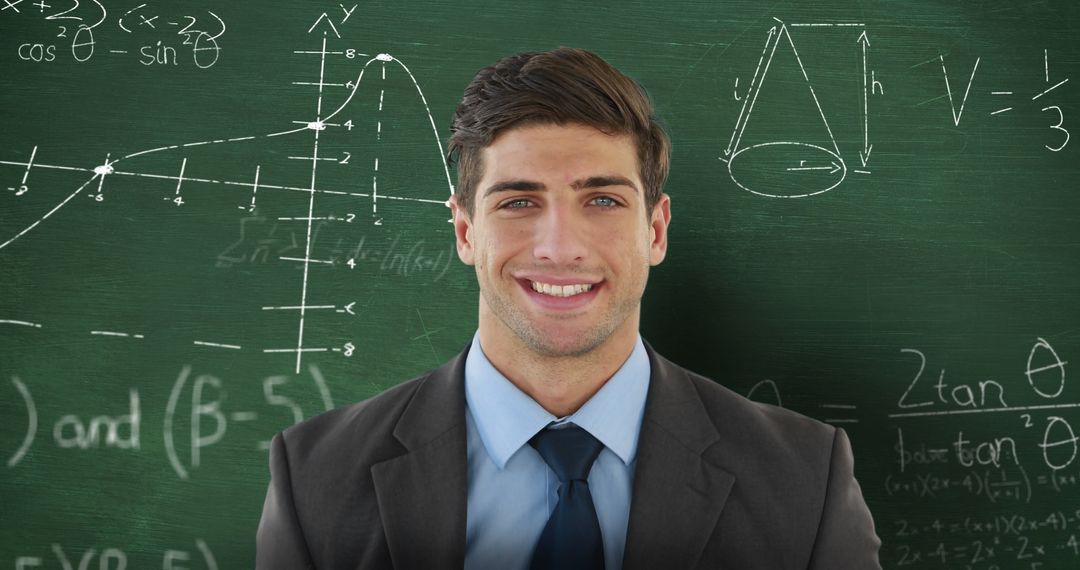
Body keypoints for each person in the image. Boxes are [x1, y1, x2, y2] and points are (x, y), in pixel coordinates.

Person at [256, 47, 881, 569]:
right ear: (466, 232)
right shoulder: (317, 478)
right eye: (519, 202)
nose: (560, 247)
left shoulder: (804, 479)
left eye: (603, 201)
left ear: (656, 232)